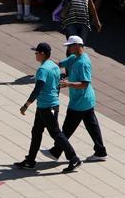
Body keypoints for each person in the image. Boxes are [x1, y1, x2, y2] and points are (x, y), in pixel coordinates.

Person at [16, 42, 81, 172]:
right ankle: (30, 161)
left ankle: (74, 159)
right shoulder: (54, 66)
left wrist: (26, 105)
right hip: (47, 105)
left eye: (37, 52)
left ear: (43, 54)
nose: (35, 54)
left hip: (47, 106)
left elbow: (37, 89)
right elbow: (57, 85)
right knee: (36, 132)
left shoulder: (43, 69)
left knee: (56, 133)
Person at [46, 35, 107, 161]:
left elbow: (85, 83)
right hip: (86, 101)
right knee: (92, 126)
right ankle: (100, 151)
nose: (68, 48)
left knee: (67, 128)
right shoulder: (74, 58)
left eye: (70, 46)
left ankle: (56, 151)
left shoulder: (83, 63)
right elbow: (59, 64)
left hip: (80, 102)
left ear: (77, 46)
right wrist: (46, 59)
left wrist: (68, 83)